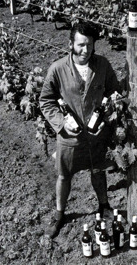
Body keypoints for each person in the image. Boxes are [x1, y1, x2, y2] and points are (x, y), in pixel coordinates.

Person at [39, 21, 120, 239]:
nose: (85, 50)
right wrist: (61, 123)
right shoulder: (57, 69)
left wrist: (106, 118)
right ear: (71, 44)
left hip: (96, 134)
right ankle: (60, 213)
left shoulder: (102, 65)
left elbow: (114, 93)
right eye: (81, 45)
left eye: (90, 45)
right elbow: (46, 101)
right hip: (69, 136)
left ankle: (104, 205)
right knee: (64, 175)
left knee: (98, 171)